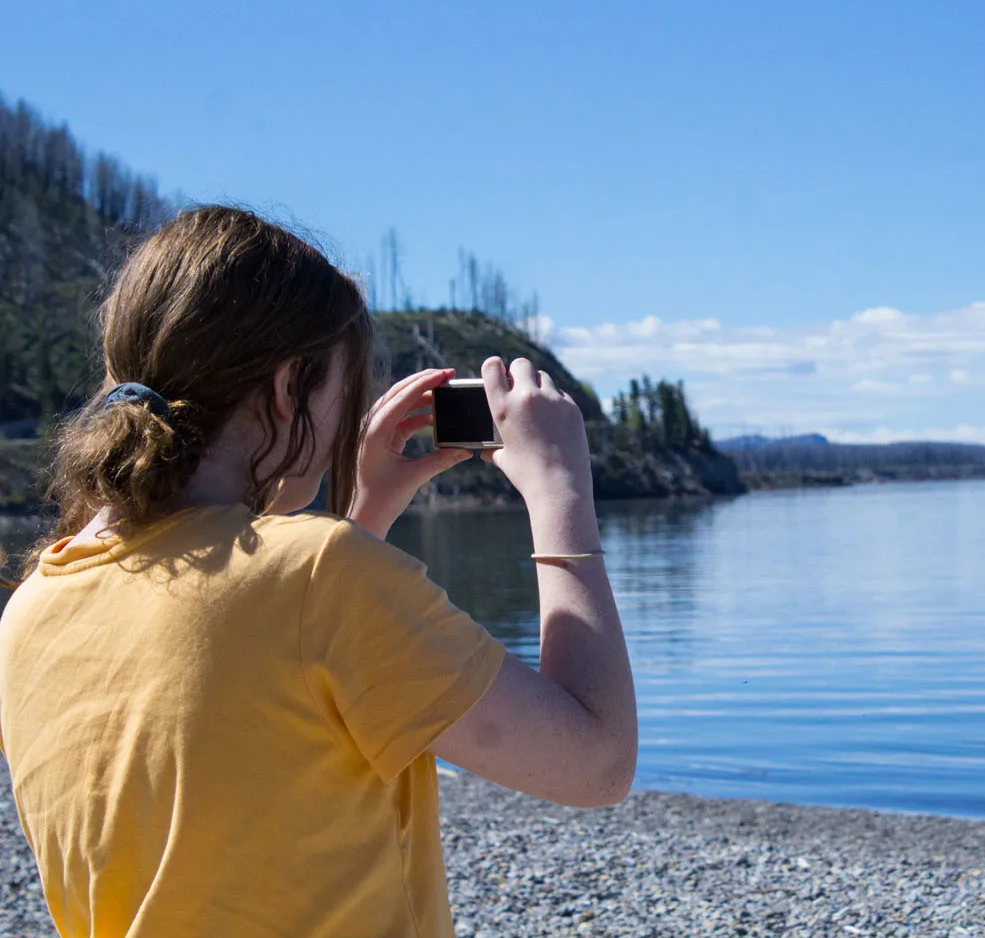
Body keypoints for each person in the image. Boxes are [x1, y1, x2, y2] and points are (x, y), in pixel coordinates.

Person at [0, 205, 637, 937]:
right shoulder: (320, 578)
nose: (345, 417)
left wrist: (366, 512)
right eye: (343, 389)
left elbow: (258, 741)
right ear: (287, 387)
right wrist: (560, 495)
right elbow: (597, 761)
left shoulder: (31, 608)